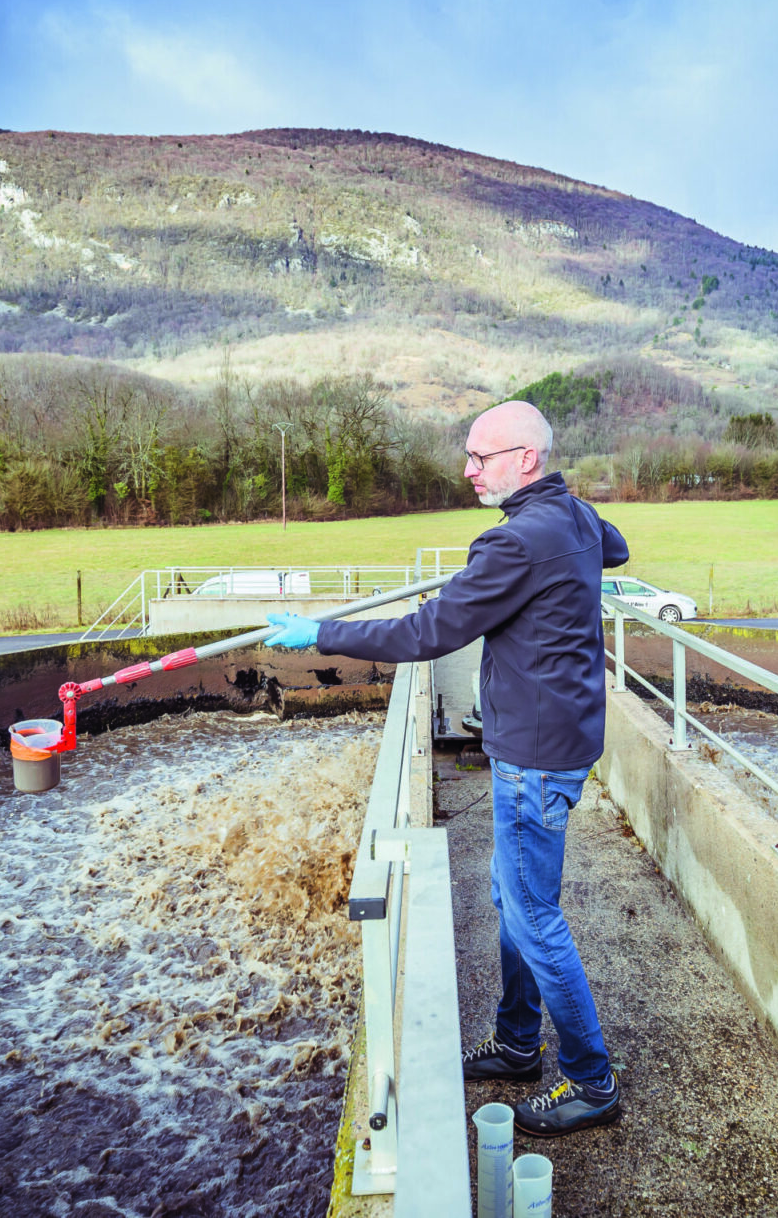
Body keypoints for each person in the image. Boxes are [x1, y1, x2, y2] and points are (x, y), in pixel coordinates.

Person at [262, 399, 629, 1136]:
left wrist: (323, 632)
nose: (466, 470)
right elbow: (613, 550)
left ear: (526, 458)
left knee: (533, 914)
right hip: (563, 740)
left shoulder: (518, 542)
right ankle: (519, 1040)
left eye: (480, 457)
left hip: (531, 755)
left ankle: (591, 1080)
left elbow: (429, 631)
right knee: (510, 893)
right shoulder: (575, 518)